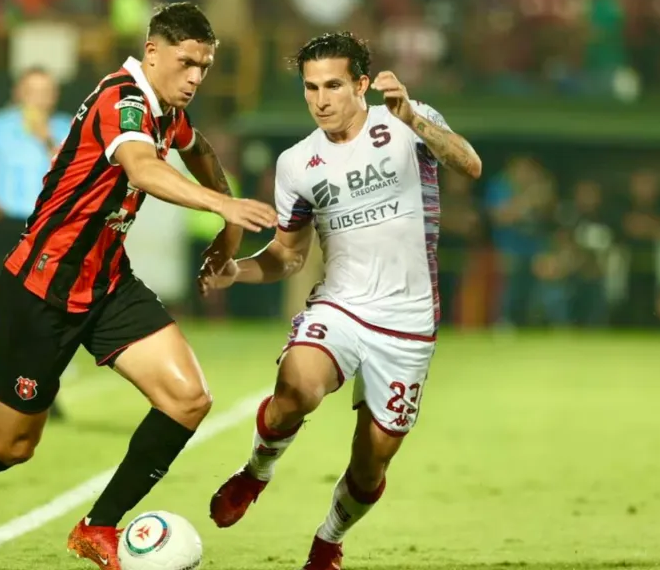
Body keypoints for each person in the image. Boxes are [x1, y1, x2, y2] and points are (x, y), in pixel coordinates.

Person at [0, 3, 277, 570]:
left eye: (204, 65)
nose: (196, 76)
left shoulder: (167, 108)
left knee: (189, 399)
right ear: (153, 53)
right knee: (14, 446)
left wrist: (225, 227)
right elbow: (143, 169)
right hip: (39, 291)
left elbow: (198, 149)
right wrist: (227, 204)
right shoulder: (119, 100)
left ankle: (98, 526)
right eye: (186, 62)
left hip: (106, 284)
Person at [200, 32, 481, 569]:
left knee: (372, 461)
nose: (321, 99)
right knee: (298, 385)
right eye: (310, 88)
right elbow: (287, 256)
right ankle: (255, 474)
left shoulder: (405, 120)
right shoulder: (296, 164)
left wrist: (413, 120)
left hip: (408, 322)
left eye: (332, 85)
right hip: (341, 307)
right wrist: (235, 271)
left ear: (361, 84)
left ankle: (328, 541)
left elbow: (469, 164)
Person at [0, 66, 74, 418]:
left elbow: (77, 171)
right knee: (3, 308)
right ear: (18, 93)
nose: (38, 98)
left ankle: (41, 390)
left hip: (47, 227)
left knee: (46, 312)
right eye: (31, 90)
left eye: (45, 91)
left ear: (53, 95)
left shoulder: (65, 127)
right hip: (7, 224)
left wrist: (45, 139)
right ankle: (4, 389)